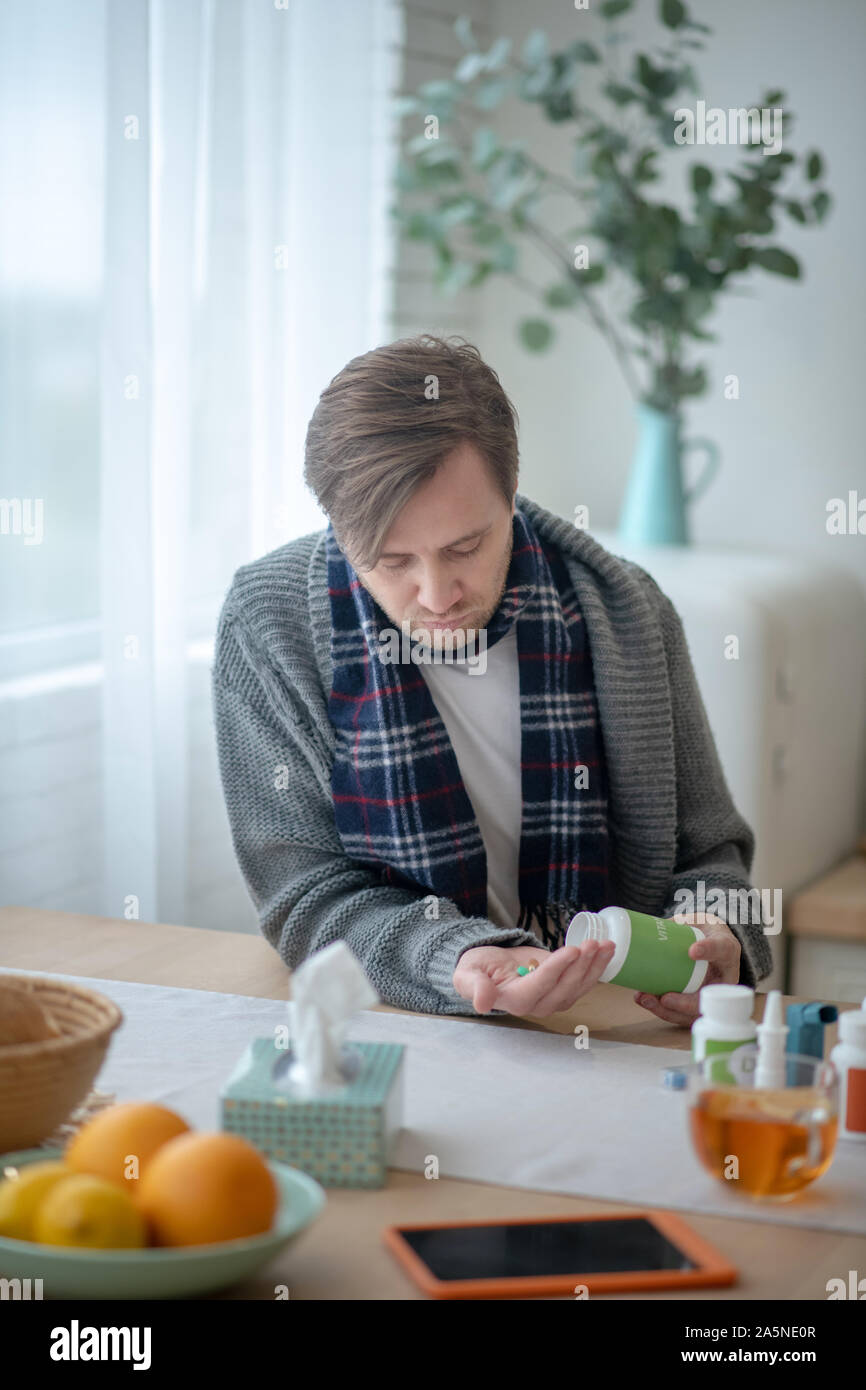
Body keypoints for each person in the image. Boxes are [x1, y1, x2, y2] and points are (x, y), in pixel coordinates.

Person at [212, 335, 772, 1022]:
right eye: (392, 563)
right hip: (401, 1019)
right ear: (337, 529)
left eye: (465, 547)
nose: (438, 593)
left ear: (511, 494)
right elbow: (303, 895)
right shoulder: (269, 622)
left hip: (610, 1020)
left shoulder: (627, 610)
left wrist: (719, 938)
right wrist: (455, 959)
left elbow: (710, 855)